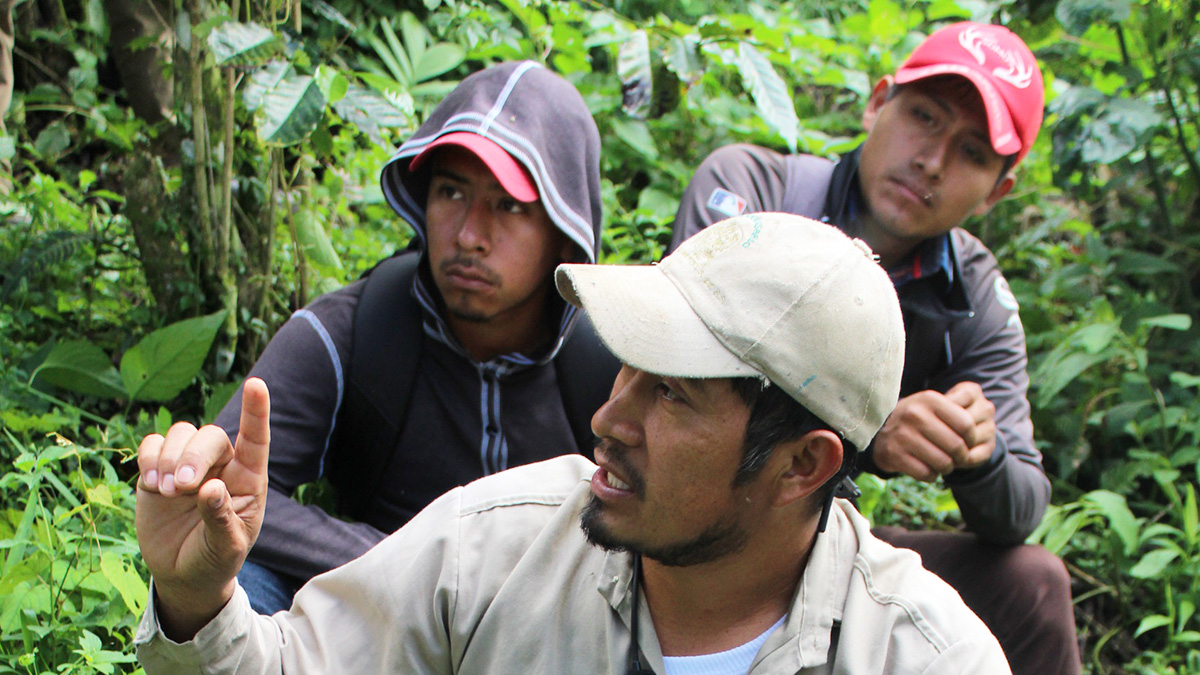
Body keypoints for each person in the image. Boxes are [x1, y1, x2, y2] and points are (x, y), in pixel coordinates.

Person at [133, 213, 1012, 674]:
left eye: (671, 393)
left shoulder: (921, 657)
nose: (609, 418)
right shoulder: (497, 541)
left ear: (802, 465)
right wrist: (195, 602)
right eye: (626, 368)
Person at [668, 22, 1077, 675]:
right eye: (923, 117)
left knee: (1033, 583)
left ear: (998, 190)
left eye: (971, 151)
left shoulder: (972, 298)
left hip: (830, 548)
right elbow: (690, 369)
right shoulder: (757, 190)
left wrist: (979, 453)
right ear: (877, 102)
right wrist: (869, 428)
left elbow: (1021, 504)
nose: (932, 160)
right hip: (698, 522)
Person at [211, 60, 618, 614]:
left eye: (508, 205)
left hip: (553, 631)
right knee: (233, 582)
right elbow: (225, 486)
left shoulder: (616, 367)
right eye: (451, 193)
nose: (470, 235)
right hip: (381, 617)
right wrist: (408, 563)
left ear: (563, 236)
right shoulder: (356, 332)